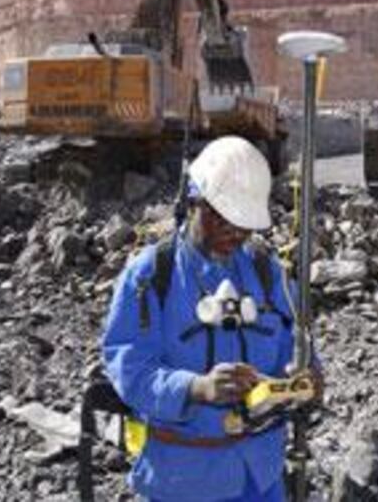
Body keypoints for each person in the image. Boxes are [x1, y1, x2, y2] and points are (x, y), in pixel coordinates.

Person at [101, 136, 319, 502]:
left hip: (260, 478)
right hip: (183, 482)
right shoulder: (152, 275)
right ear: (193, 200)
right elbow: (130, 369)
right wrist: (196, 388)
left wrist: (305, 380)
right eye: (219, 217)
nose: (233, 233)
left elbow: (297, 350)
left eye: (243, 223)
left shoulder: (269, 274)